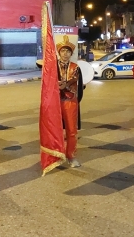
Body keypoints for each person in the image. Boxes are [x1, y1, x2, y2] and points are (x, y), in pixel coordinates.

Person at [57, 35, 83, 168]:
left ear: (71, 53)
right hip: (55, 102)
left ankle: (71, 156)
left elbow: (77, 81)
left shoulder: (75, 67)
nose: (65, 54)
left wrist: (65, 85)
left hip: (70, 101)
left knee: (71, 131)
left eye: (68, 51)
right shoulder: (52, 67)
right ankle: (56, 155)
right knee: (55, 130)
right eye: (63, 51)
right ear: (59, 52)